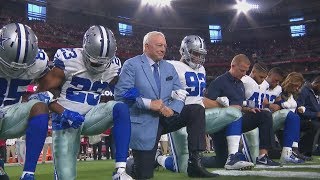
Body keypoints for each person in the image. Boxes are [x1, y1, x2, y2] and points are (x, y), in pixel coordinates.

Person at [115, 32, 217, 178]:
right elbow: (120, 94)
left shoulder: (169, 67)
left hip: (167, 116)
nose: (163, 49)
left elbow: (180, 93)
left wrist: (173, 109)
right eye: (159, 45)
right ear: (146, 46)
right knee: (144, 174)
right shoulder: (132, 64)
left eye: (164, 46)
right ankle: (130, 165)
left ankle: (195, 163)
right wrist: (150, 104)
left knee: (196, 109)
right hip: (145, 119)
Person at [154, 35, 253, 173]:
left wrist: (219, 103)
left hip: (197, 116)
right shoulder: (171, 66)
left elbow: (199, 99)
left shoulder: (201, 70)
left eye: (201, 54)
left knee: (235, 113)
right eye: (195, 53)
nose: (198, 58)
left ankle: (232, 156)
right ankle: (158, 158)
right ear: (185, 50)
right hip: (178, 116)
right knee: (181, 167)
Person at [46, 25, 132, 180]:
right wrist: (62, 112)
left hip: (92, 116)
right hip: (66, 120)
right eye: (96, 62)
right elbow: (43, 93)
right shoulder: (68, 59)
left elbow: (121, 88)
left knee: (120, 108)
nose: (100, 66)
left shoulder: (113, 65)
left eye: (104, 62)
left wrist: (130, 91)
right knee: (66, 177)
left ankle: (120, 171)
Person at [0, 23, 51, 180]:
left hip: (12, 114)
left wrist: (45, 93)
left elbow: (51, 85)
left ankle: (28, 173)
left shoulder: (40, 61)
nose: (15, 70)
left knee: (40, 107)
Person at [242, 68, 305, 164]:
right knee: (252, 158)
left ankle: (288, 152)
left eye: (279, 81)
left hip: (268, 119)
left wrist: (277, 105)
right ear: (269, 75)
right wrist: (267, 105)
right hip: (253, 119)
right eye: (275, 80)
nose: (277, 83)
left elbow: (279, 104)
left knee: (292, 116)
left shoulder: (278, 89)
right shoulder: (254, 84)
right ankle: (240, 151)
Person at [297, 75, 320, 157]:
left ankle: (316, 149)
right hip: (303, 119)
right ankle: (302, 150)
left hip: (313, 118)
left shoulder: (316, 93)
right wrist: (315, 114)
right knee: (315, 125)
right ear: (317, 84)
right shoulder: (305, 90)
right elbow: (299, 109)